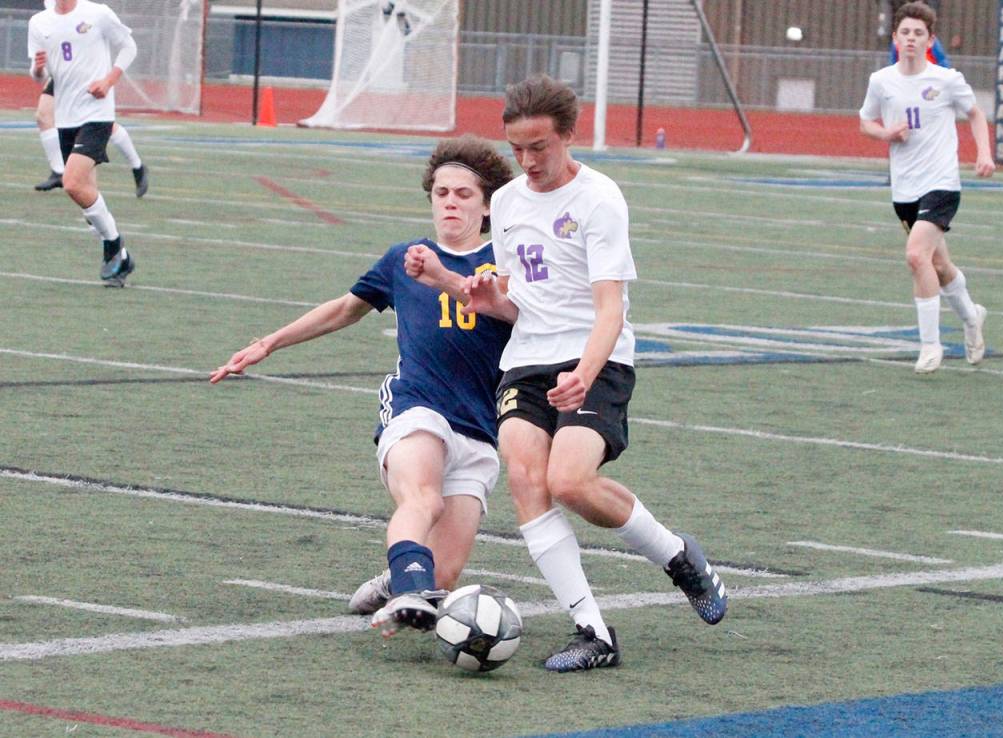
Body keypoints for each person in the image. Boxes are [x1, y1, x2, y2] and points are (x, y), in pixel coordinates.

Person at [407, 74, 728, 673]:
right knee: (527, 478)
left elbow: (611, 309)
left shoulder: (599, 199)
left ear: (568, 136)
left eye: (539, 148)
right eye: (517, 149)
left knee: (571, 482)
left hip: (595, 356)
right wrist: (473, 290)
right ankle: (593, 632)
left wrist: (584, 371)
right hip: (527, 360)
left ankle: (678, 556)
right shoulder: (507, 202)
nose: (527, 162)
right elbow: (516, 300)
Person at [210, 135, 514, 638]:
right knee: (424, 499)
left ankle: (399, 579)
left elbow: (521, 313)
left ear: (487, 207)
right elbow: (344, 309)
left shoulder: (507, 263)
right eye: (441, 193)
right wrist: (269, 343)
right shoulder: (404, 259)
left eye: (464, 194)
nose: (450, 203)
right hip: (418, 406)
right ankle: (410, 588)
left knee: (445, 575)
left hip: (479, 426)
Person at [859, 1, 995, 373]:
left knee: (916, 256)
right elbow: (865, 122)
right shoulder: (881, 81)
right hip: (905, 187)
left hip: (942, 183)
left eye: (919, 33)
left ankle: (930, 346)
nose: (911, 39)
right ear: (895, 37)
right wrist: (886, 133)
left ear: (930, 40)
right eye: (905, 32)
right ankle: (972, 317)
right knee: (939, 263)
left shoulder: (947, 80)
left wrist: (984, 153)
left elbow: (976, 114)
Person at [28, 0, 138, 286]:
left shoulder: (97, 13)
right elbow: (39, 75)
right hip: (66, 117)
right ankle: (122, 260)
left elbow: (129, 46)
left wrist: (109, 81)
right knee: (86, 195)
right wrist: (38, 70)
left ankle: (113, 244)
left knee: (72, 183)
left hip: (97, 113)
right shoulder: (39, 22)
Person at [34, 85, 149, 197]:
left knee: (100, 122)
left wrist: (108, 81)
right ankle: (59, 172)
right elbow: (39, 77)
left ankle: (138, 167)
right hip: (65, 75)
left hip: (90, 77)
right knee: (43, 115)